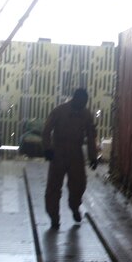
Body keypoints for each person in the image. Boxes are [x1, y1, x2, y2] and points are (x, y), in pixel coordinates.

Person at [42, 88, 98, 229]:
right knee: (54, 186)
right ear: (75, 99)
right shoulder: (59, 111)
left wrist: (93, 157)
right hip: (58, 151)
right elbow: (47, 130)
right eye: (82, 102)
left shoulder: (86, 115)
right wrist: (47, 148)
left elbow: (91, 137)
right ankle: (54, 217)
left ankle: (74, 206)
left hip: (76, 152)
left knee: (79, 184)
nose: (83, 105)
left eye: (85, 102)